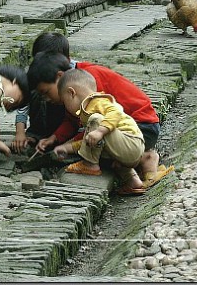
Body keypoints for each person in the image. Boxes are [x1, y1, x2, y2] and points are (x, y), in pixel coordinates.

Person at [27, 51, 174, 188]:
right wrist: (54, 138)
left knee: (92, 148)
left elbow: (94, 124)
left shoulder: (89, 81)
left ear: (59, 77)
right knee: (92, 148)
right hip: (121, 129)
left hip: (142, 127)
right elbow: (72, 121)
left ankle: (144, 158)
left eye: (46, 92)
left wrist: (70, 145)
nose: (46, 99)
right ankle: (133, 176)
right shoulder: (74, 88)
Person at [52, 69, 146, 194]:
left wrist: (100, 131)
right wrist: (67, 147)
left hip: (130, 142)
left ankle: (90, 164)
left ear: (71, 93)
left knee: (96, 120)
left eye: (64, 102)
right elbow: (90, 142)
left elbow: (116, 111)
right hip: (126, 149)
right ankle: (133, 182)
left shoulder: (97, 101)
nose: (65, 107)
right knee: (97, 143)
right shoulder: (89, 110)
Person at [12, 32, 76, 155]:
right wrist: (20, 132)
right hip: (45, 117)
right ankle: (37, 133)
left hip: (67, 119)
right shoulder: (35, 73)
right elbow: (23, 105)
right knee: (37, 94)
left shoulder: (75, 73)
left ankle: (60, 137)